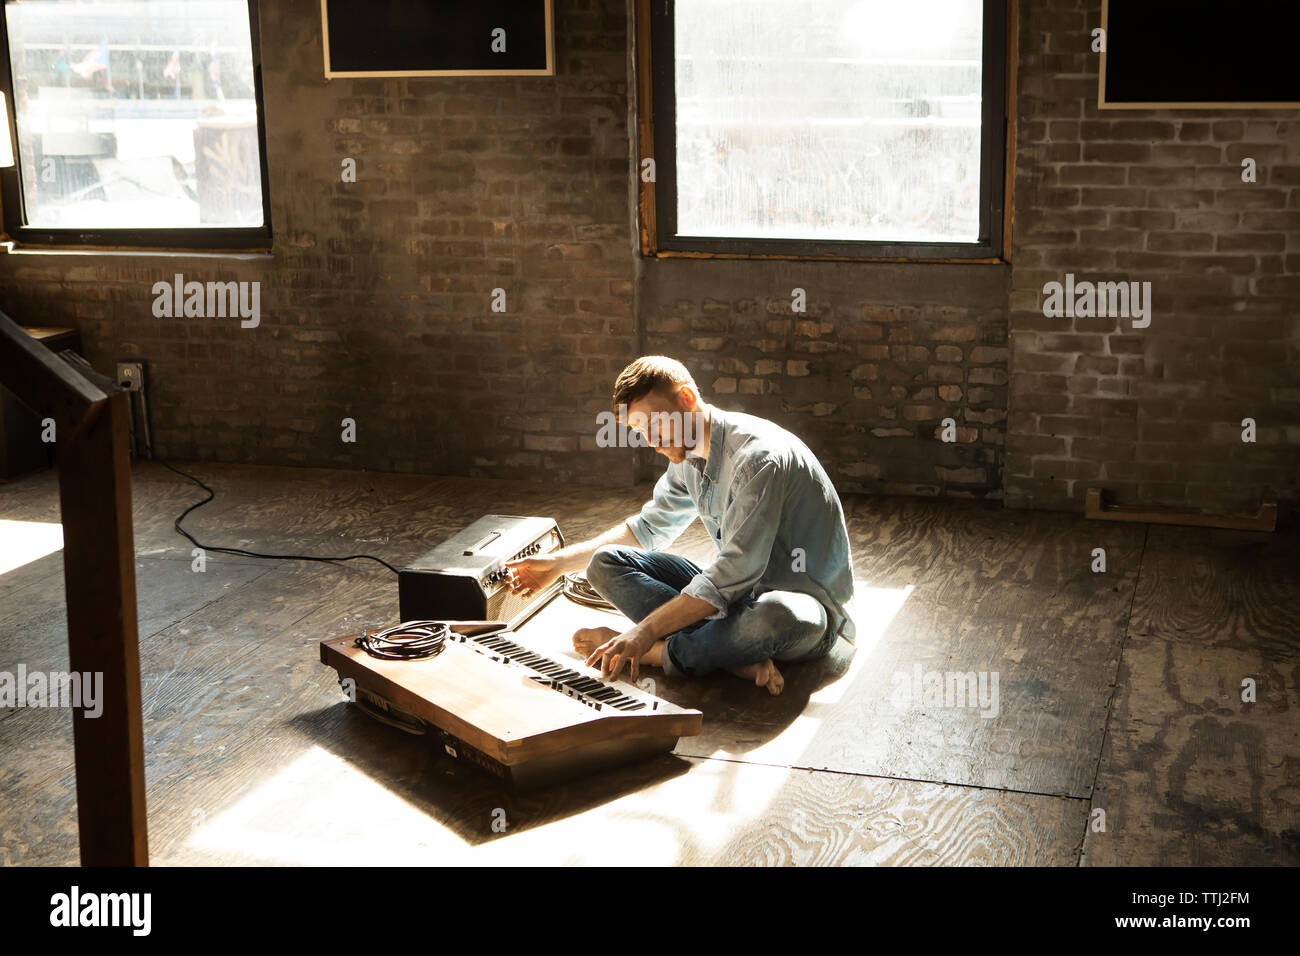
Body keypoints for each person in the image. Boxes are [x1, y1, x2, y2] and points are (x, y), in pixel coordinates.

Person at [506, 356, 855, 695]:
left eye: (655, 424)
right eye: (640, 431)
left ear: (687, 398)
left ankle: (660, 653)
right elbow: (646, 530)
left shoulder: (757, 459)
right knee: (605, 562)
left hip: (804, 613)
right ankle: (731, 656)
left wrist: (643, 635)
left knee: (770, 616)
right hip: (738, 595)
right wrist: (556, 564)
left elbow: (734, 572)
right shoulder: (687, 454)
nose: (652, 442)